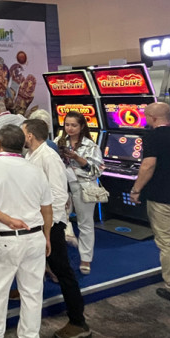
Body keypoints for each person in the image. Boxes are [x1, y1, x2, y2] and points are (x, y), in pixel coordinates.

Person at [0, 125, 52, 338]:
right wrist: (47, 236)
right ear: (22, 144)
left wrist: (7, 220)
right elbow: (47, 208)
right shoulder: (35, 169)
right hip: (34, 237)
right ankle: (29, 336)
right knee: (33, 293)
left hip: (3, 238)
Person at [23, 119, 90, 338]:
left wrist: (49, 225)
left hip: (51, 223)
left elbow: (59, 194)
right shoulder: (31, 154)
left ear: (30, 135)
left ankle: (78, 321)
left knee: (62, 270)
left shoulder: (49, 157)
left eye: (23, 132)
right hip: (36, 220)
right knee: (32, 263)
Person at [131, 102, 170, 307]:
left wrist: (136, 189)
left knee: (168, 244)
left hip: (162, 199)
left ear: (153, 118)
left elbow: (148, 165)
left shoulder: (152, 137)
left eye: (146, 116)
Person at [55, 111, 103, 275]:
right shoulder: (58, 141)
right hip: (62, 186)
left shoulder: (90, 145)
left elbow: (96, 170)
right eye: (67, 125)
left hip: (83, 186)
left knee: (85, 223)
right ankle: (60, 258)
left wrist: (77, 158)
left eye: (74, 125)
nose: (70, 128)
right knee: (59, 222)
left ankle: (86, 259)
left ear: (82, 126)